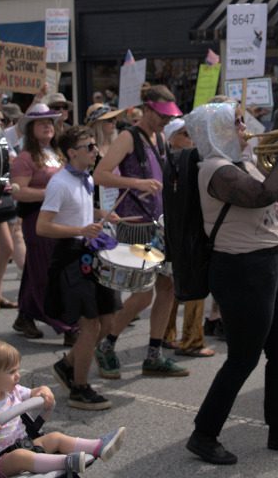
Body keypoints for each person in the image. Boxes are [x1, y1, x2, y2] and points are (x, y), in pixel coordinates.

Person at [183, 101, 278, 465]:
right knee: (243, 358)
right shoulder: (214, 170)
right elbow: (262, 195)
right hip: (242, 269)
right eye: (237, 123)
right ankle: (204, 433)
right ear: (217, 131)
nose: (245, 128)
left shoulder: (244, 162)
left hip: (270, 260)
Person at [92, 85, 187, 379]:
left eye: (167, 117)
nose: (164, 121)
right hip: (136, 227)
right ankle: (106, 345)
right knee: (143, 293)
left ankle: (154, 354)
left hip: (158, 224)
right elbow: (100, 175)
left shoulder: (158, 137)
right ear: (146, 110)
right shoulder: (127, 137)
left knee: (168, 288)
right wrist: (137, 184)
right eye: (160, 115)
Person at [39, 126, 120, 411]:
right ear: (72, 152)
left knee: (108, 322)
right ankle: (79, 388)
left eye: (95, 146)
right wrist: (81, 229)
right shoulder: (60, 183)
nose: (95, 151)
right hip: (71, 256)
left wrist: (99, 216)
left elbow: (77, 212)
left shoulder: (85, 177)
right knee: (90, 326)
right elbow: (43, 226)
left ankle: (67, 365)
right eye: (89, 147)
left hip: (90, 251)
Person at [0, 339, 125, 478]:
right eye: (11, 372)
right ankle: (66, 461)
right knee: (20, 456)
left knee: (54, 437)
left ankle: (97, 446)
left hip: (25, 444)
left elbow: (34, 392)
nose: (18, 375)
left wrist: (43, 390)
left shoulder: (13, 392)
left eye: (18, 370)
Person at [10, 103, 72, 341]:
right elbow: (18, 192)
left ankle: (25, 315)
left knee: (37, 268)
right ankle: (66, 324)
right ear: (31, 128)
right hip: (38, 220)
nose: (48, 126)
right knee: (47, 270)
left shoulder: (58, 154)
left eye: (50, 122)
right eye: (41, 123)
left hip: (60, 218)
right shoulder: (25, 158)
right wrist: (51, 193)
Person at [160, 118, 215, 359]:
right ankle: (192, 340)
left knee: (174, 285)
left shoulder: (171, 161)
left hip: (177, 229)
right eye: (183, 133)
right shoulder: (187, 161)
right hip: (188, 231)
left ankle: (166, 333)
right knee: (193, 285)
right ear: (171, 138)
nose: (189, 137)